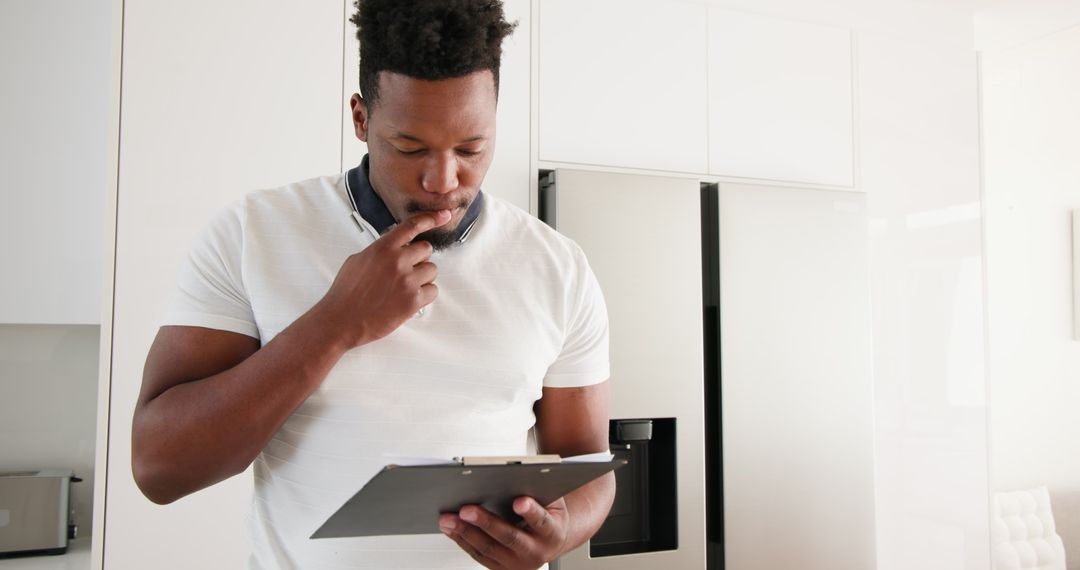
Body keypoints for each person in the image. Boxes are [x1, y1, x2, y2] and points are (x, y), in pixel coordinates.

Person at [130, 1, 615, 568]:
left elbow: (588, 466)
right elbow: (160, 468)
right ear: (361, 119)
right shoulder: (251, 234)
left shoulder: (558, 266)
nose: (443, 180)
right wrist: (335, 323)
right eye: (410, 148)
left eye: (470, 149)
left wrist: (563, 531)